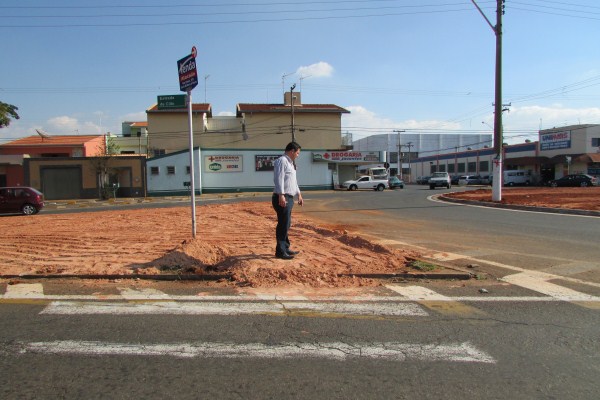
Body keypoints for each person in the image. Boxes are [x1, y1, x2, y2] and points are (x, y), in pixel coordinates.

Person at [272, 142, 304, 260]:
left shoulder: (291, 164)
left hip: (289, 197)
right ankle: (280, 251)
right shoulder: (282, 161)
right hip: (282, 197)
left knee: (287, 224)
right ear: (292, 151)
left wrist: (299, 194)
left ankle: (285, 247)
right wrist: (281, 194)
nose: (298, 155)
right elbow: (278, 178)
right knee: (283, 224)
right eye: (297, 153)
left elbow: (293, 182)